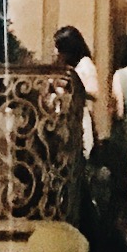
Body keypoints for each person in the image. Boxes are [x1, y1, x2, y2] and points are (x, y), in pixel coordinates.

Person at [55, 24, 101, 155]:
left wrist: (70, 86)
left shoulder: (85, 65)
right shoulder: (69, 66)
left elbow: (93, 92)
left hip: (79, 118)